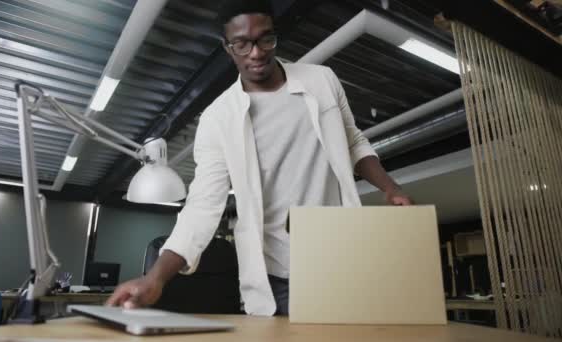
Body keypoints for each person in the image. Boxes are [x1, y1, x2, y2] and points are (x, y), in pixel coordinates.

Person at [106, 0, 411, 316]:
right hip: (275, 279)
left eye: (265, 38)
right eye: (242, 44)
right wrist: (155, 278)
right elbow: (201, 208)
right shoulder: (217, 119)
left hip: (339, 263)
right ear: (228, 48)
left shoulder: (322, 81)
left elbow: (353, 142)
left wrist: (390, 188)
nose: (256, 52)